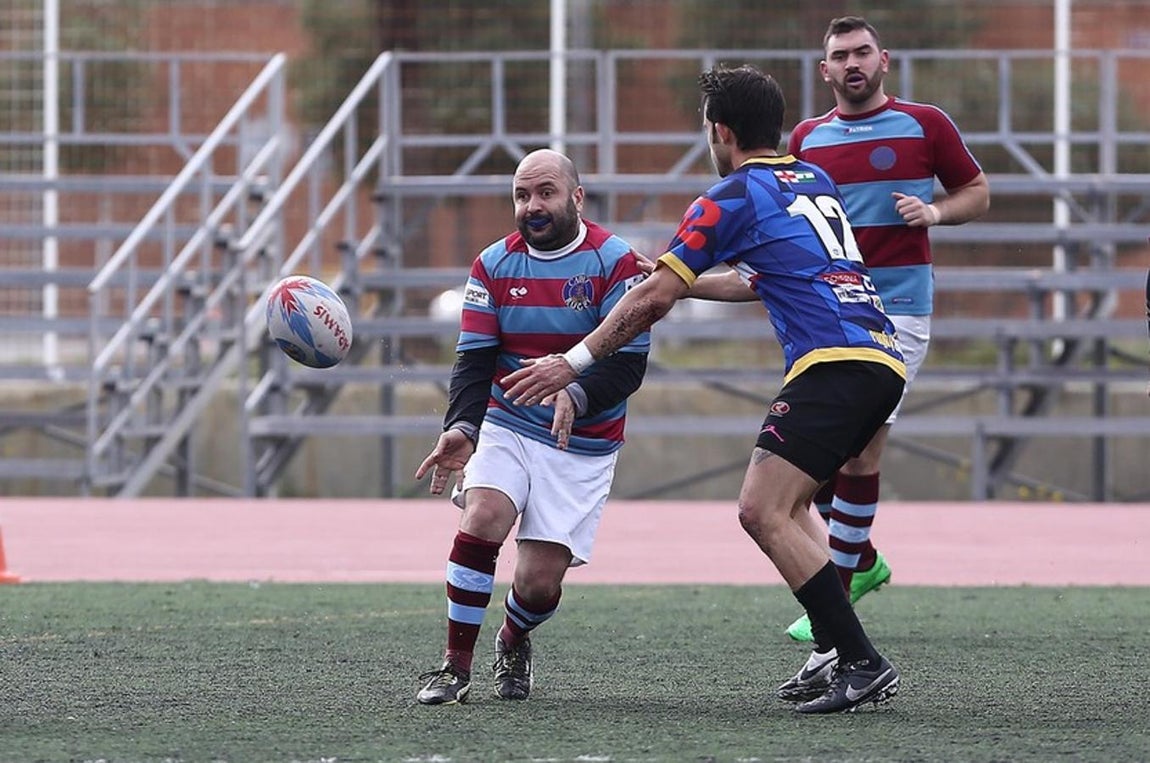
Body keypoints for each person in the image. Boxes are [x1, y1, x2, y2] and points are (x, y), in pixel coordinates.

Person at [503, 64, 905, 714]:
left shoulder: (731, 195)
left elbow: (651, 304)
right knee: (793, 507)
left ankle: (861, 659)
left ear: (720, 131)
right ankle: (836, 647)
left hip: (835, 363)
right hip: (878, 356)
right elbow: (755, 280)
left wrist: (573, 361)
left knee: (760, 509)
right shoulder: (811, 178)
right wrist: (675, 274)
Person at [412, 148, 650, 705]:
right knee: (486, 513)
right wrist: (463, 428)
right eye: (522, 195)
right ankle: (455, 667)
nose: (532, 205)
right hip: (508, 421)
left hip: (583, 443)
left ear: (576, 197)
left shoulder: (614, 261)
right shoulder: (492, 264)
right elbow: (474, 361)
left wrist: (578, 389)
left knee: (539, 585)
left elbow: (629, 363)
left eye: (545, 192)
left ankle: (512, 638)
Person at [781, 15, 991, 643]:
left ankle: (837, 598)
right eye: (840, 54)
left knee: (864, 445)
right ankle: (864, 560)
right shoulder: (807, 138)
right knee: (818, 457)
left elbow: (976, 191)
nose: (853, 62)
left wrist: (933, 211)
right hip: (828, 310)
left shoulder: (925, 124)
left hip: (899, 306)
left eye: (862, 52)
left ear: (884, 60)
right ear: (824, 70)